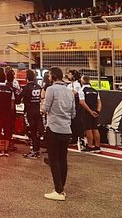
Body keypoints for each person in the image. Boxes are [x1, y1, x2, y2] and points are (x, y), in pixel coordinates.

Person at [40, 67, 74, 201]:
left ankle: (58, 190)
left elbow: (45, 109)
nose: (48, 77)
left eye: (49, 75)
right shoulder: (69, 91)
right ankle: (61, 188)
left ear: (53, 76)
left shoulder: (51, 89)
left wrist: (42, 107)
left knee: (54, 160)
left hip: (53, 128)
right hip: (66, 129)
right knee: (63, 159)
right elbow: (73, 113)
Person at [19, 69, 44, 159]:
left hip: (29, 112)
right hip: (37, 111)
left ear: (26, 78)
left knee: (30, 131)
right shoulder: (38, 86)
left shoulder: (26, 88)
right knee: (36, 131)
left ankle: (34, 151)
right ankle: (36, 150)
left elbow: (18, 99)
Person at [0, 69, 16, 157]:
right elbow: (12, 104)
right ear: (5, 79)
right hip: (7, 113)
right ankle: (5, 150)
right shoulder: (10, 89)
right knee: (7, 130)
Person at [80, 75, 102, 152]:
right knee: (95, 128)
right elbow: (99, 102)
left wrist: (90, 111)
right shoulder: (95, 90)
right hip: (95, 112)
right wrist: (97, 111)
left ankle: (89, 146)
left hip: (87, 112)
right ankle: (97, 146)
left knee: (88, 129)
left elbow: (82, 102)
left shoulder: (82, 90)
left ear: (82, 81)